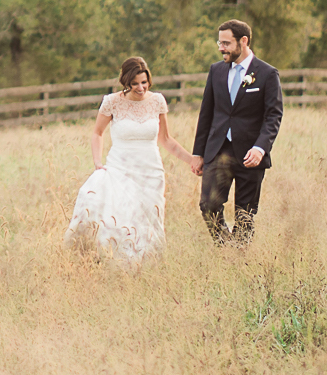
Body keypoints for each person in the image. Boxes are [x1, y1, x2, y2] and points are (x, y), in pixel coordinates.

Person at [64, 55, 201, 263]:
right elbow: (97, 133)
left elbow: (165, 139)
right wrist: (98, 163)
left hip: (151, 171)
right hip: (120, 168)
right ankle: (118, 263)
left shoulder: (157, 101)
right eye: (134, 83)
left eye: (144, 82)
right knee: (122, 217)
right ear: (126, 82)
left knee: (150, 220)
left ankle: (150, 264)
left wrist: (191, 159)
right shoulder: (112, 102)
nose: (140, 88)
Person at [192, 19, 284, 244]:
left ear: (244, 41)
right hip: (218, 150)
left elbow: (273, 115)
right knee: (208, 205)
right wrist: (198, 153)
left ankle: (239, 257)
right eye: (219, 42)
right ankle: (226, 248)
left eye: (226, 43)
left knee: (245, 214)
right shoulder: (216, 71)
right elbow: (207, 113)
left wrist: (260, 148)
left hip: (250, 154)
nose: (221, 48)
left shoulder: (267, 74)